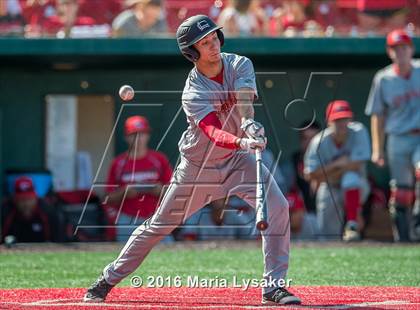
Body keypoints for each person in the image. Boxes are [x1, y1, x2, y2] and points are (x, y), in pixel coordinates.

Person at [84, 15, 301, 305]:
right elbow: (212, 131)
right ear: (191, 52)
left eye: (214, 39)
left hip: (238, 160)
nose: (213, 46)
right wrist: (240, 139)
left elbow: (245, 99)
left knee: (278, 206)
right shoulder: (193, 90)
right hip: (199, 169)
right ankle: (107, 280)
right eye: (204, 43)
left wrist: (248, 125)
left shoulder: (239, 63)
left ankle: (273, 287)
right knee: (159, 226)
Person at [365, 29, 420, 242]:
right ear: (390, 52)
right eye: (396, 48)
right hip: (398, 137)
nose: (401, 52)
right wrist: (378, 149)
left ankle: (417, 218)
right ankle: (403, 237)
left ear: (411, 49)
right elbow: (377, 115)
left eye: (404, 47)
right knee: (401, 190)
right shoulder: (384, 78)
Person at [304, 100, 371, 242]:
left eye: (345, 118)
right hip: (329, 187)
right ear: (329, 121)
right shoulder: (319, 141)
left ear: (350, 119)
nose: (341, 123)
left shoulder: (359, 131)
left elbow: (357, 165)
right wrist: (337, 164)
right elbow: (310, 175)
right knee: (327, 236)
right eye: (337, 119)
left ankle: (352, 224)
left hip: (357, 186)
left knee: (350, 177)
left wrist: (325, 174)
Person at [104, 115, 173, 241]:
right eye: (133, 134)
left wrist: (159, 190)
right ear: (126, 137)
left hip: (156, 217)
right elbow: (108, 198)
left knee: (167, 253)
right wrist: (124, 192)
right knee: (128, 258)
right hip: (127, 219)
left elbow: (174, 191)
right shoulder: (118, 163)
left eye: (142, 134)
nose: (138, 138)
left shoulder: (159, 159)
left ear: (148, 135)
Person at [2, 176, 57, 242]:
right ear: (15, 200)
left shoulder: (48, 212)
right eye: (22, 200)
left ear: (35, 198)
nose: (26, 204)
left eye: (29, 199)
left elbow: (57, 242)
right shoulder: (6, 212)